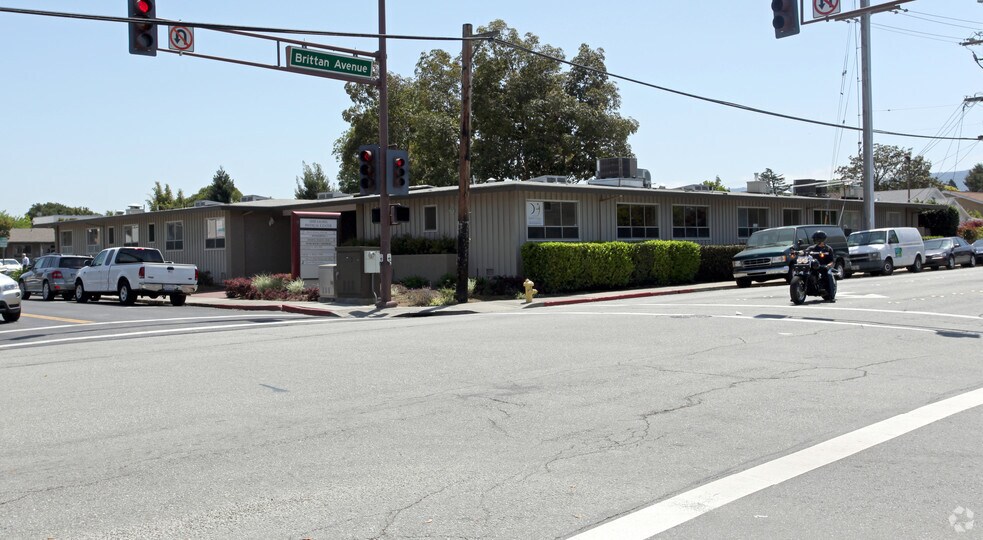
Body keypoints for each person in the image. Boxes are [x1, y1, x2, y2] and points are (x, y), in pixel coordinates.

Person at [807, 231, 836, 302]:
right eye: (814, 239)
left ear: (821, 240)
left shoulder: (828, 249)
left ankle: (831, 296)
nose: (814, 240)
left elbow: (832, 261)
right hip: (813, 266)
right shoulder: (811, 248)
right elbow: (805, 251)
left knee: (829, 275)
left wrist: (828, 266)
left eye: (816, 239)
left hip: (824, 267)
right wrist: (800, 252)